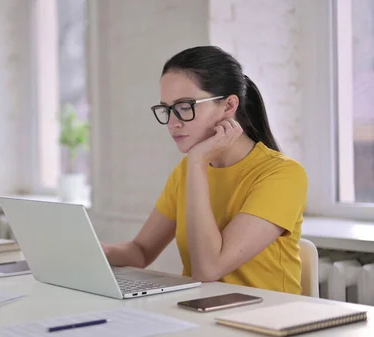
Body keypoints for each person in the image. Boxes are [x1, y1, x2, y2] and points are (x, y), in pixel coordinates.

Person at [101, 46, 308, 295]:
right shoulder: (188, 169)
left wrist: (198, 163)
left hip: (266, 320)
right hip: (201, 312)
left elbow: (208, 270)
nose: (173, 122)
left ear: (229, 105)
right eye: (166, 109)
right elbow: (141, 252)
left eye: (185, 106)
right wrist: (96, 251)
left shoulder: (282, 175)